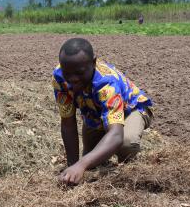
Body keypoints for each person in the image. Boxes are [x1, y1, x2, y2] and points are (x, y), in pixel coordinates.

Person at [52, 38, 153, 185]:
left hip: (131, 109)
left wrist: (81, 165)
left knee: (126, 143)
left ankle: (130, 175)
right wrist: (72, 167)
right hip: (96, 114)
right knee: (91, 161)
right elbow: (68, 123)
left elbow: (116, 135)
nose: (73, 79)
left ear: (93, 62)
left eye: (79, 73)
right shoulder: (59, 78)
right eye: (67, 73)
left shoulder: (106, 83)